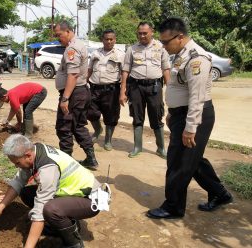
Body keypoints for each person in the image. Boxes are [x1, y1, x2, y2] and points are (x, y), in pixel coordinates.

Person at [146, 17, 233, 219]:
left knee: (178, 162)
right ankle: (220, 194)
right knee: (192, 160)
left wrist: (190, 127)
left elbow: (197, 97)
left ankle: (173, 207)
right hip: (181, 115)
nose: (164, 46)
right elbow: (177, 88)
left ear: (180, 37)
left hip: (195, 115)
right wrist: (172, 113)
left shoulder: (197, 59)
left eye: (166, 42)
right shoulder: (179, 54)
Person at [0, 134, 102, 248]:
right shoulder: (35, 151)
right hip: (73, 194)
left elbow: (39, 212)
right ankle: (64, 224)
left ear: (28, 155)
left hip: (92, 200)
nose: (16, 166)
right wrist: (0, 208)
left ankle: (74, 243)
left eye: (17, 163)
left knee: (50, 209)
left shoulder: (47, 168)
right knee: (27, 193)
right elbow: (18, 181)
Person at [120, 22, 171, 158]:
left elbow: (166, 69)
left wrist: (170, 90)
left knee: (157, 116)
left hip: (154, 86)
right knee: (137, 117)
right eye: (139, 33)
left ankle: (161, 148)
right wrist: (122, 92)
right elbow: (125, 71)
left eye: (145, 33)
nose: (142, 36)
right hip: (136, 87)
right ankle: (137, 147)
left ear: (152, 32)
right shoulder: (132, 49)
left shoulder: (160, 47)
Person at [54, 21, 98, 170]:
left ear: (68, 32)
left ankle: (66, 162)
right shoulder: (76, 45)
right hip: (79, 92)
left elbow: (72, 74)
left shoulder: (72, 48)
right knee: (78, 126)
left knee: (64, 127)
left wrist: (65, 98)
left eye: (59, 35)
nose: (58, 38)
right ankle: (91, 159)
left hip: (74, 94)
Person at [87, 29, 125, 150]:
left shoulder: (120, 54)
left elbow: (124, 73)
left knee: (111, 116)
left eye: (111, 39)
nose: (109, 41)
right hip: (94, 88)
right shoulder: (95, 53)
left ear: (115, 40)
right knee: (91, 112)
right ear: (102, 40)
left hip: (111, 89)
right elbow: (90, 69)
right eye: (106, 39)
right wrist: (84, 82)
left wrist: (123, 92)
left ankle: (108, 140)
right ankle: (98, 130)